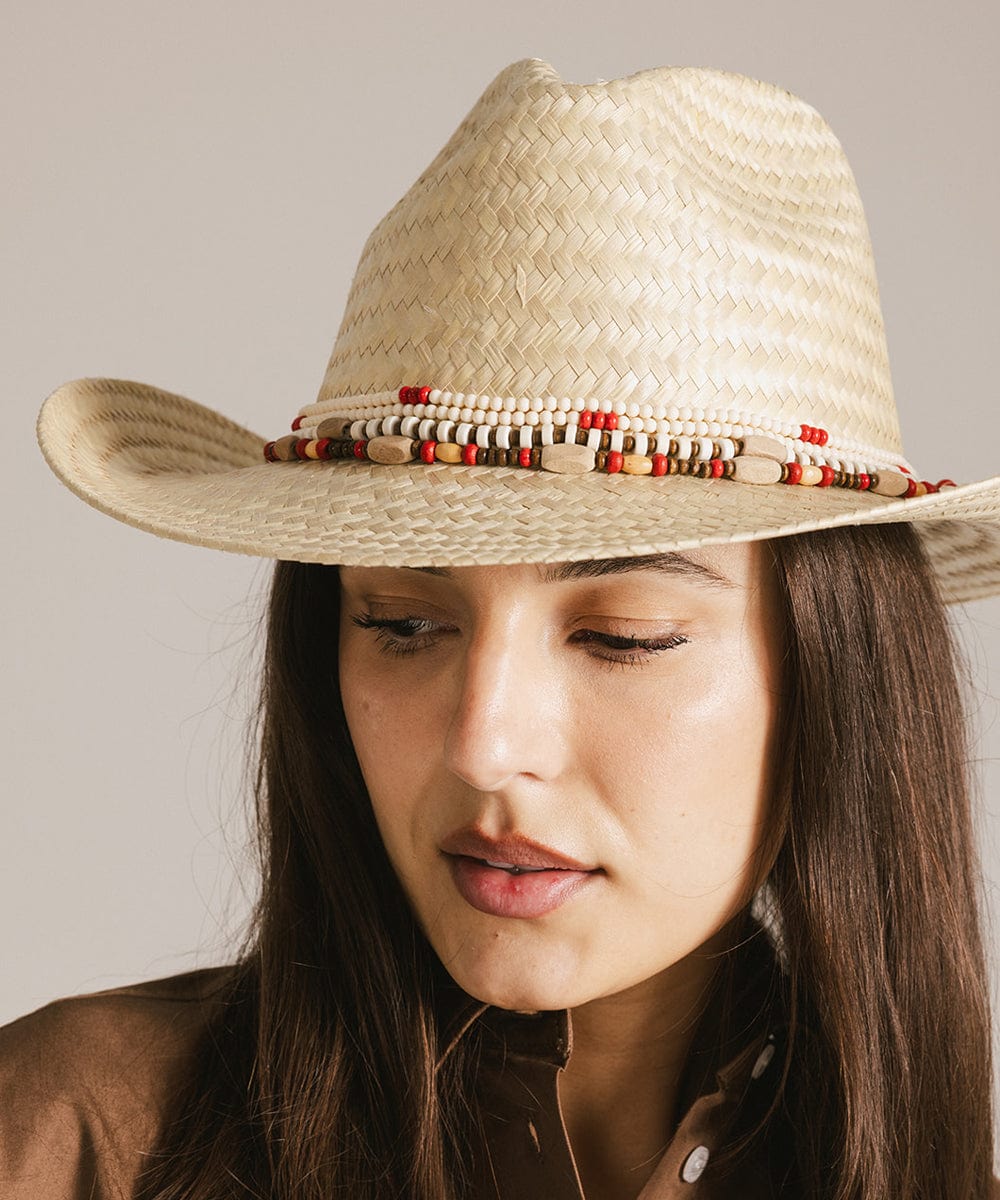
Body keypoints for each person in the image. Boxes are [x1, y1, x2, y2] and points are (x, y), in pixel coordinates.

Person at [2, 56, 997, 1200]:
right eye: (403, 623)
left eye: (621, 634)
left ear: (842, 682)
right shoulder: (77, 1142)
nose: (481, 743)